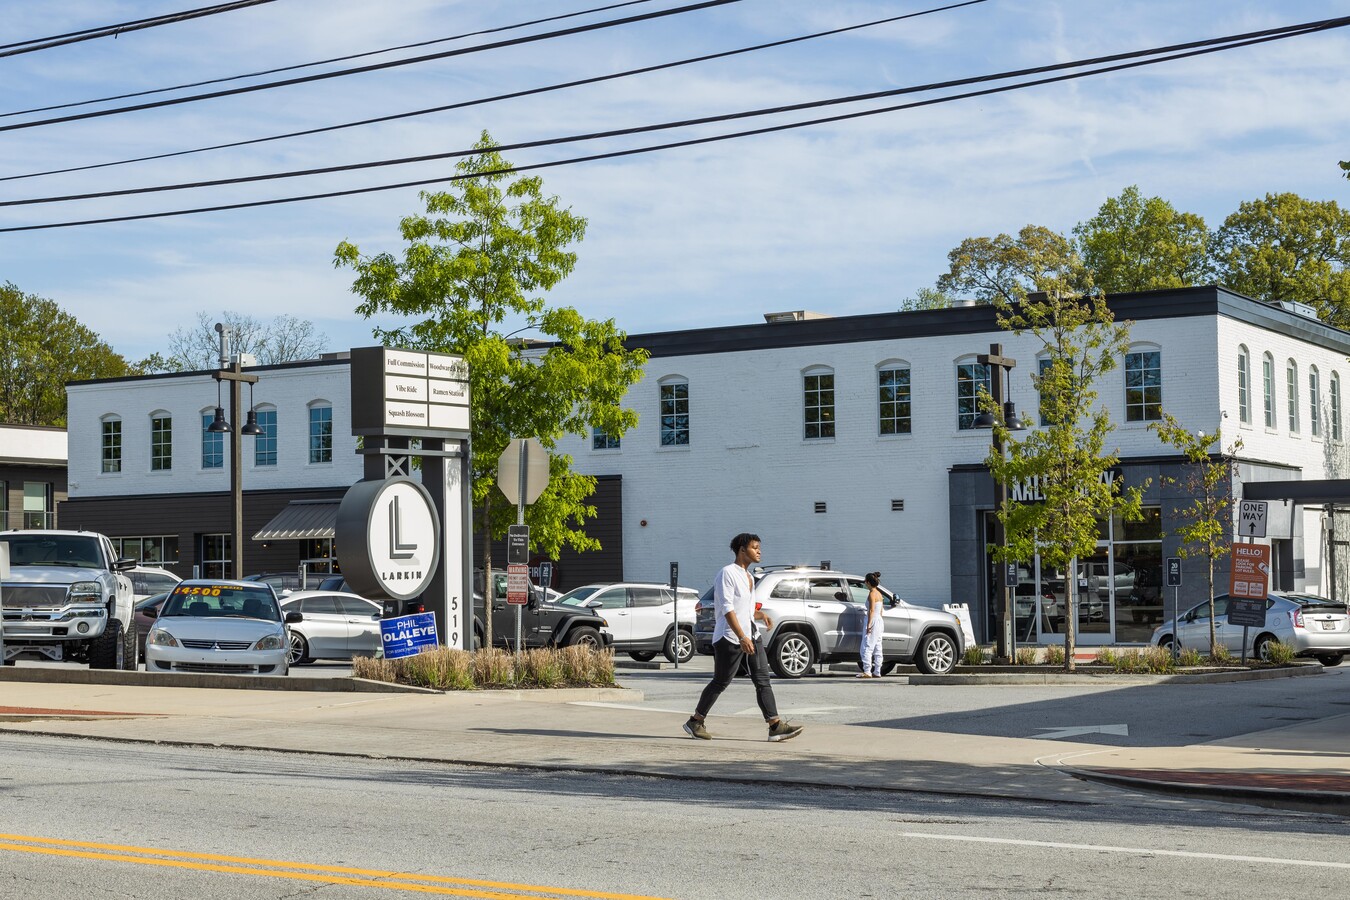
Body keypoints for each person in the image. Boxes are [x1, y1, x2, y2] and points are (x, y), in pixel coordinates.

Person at [684, 533, 803, 742]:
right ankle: (695, 721)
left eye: (759, 547)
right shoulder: (727, 574)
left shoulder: (749, 577)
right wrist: (741, 637)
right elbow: (727, 608)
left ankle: (775, 726)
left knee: (763, 680)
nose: (759, 551)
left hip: (751, 635)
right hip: (729, 638)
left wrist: (761, 615)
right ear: (742, 550)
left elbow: (744, 610)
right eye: (755, 547)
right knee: (721, 681)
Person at [858, 571, 885, 678]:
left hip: (873, 620)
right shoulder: (879, 593)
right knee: (878, 646)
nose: (865, 583)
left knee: (867, 645)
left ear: (868, 582)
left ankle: (867, 670)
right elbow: (881, 610)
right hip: (879, 620)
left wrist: (869, 625)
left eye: (865, 581)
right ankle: (877, 670)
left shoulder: (872, 594)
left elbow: (871, 610)